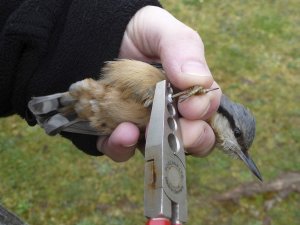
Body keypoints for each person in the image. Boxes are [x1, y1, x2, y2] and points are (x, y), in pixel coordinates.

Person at [0, 1, 222, 162]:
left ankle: (76, 111)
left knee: (130, 130)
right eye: (237, 137)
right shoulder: (197, 90)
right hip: (124, 81)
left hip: (110, 110)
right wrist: (116, 25)